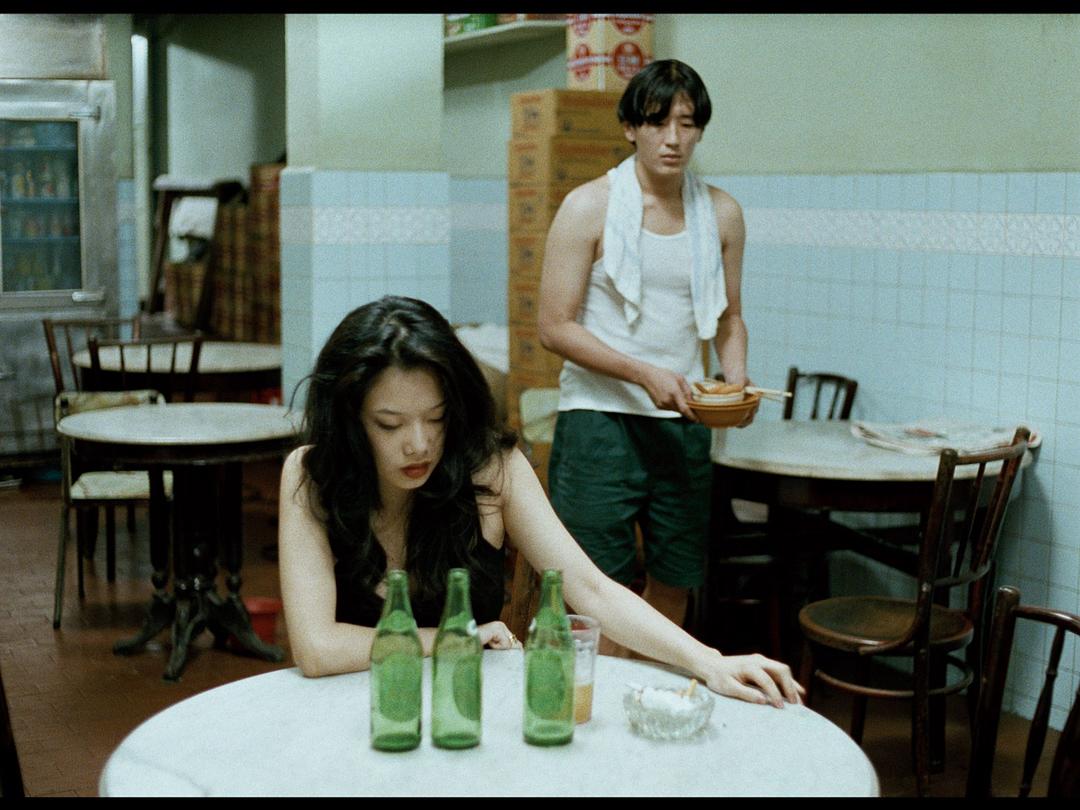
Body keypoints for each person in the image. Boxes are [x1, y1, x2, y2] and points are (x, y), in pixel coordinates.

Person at [278, 295, 802, 708]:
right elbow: (317, 648)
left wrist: (709, 661)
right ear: (350, 420)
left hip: (468, 709)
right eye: (390, 424)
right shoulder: (311, 475)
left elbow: (592, 589)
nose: (419, 444)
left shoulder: (492, 467)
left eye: (436, 418)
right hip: (351, 715)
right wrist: (458, 638)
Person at [537, 59, 753, 652]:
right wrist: (641, 373)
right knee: (594, 588)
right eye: (658, 122)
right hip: (599, 422)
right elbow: (553, 327)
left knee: (675, 578)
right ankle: (601, 696)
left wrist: (735, 385)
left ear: (700, 129)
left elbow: (730, 318)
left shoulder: (722, 213)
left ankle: (649, 691)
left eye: (687, 123)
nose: (673, 138)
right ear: (631, 127)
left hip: (682, 423)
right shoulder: (588, 206)